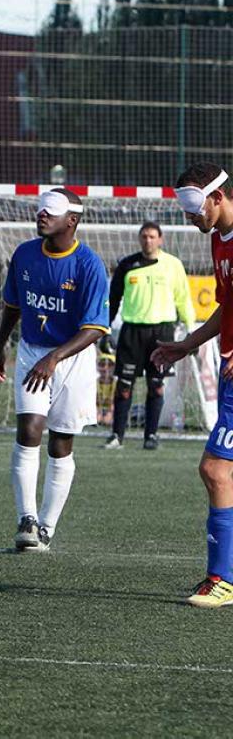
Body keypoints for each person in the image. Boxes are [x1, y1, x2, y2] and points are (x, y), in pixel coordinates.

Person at [0, 188, 109, 553]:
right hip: (31, 351)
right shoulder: (25, 254)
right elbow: (12, 304)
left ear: (72, 220)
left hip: (73, 357)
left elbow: (94, 328)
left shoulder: (89, 265)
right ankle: (26, 519)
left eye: (52, 211)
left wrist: (55, 358)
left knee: (61, 441)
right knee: (29, 428)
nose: (42, 214)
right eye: (40, 209)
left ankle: (47, 526)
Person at [151, 162, 233, 607]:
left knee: (215, 469)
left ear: (218, 198)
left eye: (194, 208)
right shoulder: (221, 242)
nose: (189, 218)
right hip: (227, 369)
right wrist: (187, 345)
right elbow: (226, 309)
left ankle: (221, 580)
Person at [103, 221, 195, 451]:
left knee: (156, 386)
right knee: (124, 386)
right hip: (131, 331)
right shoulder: (127, 265)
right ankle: (117, 436)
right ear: (139, 238)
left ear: (160, 239)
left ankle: (151, 436)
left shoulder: (173, 265)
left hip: (161, 332)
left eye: (152, 236)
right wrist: (104, 330)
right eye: (144, 236)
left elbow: (183, 298)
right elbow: (113, 300)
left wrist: (191, 329)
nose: (148, 240)